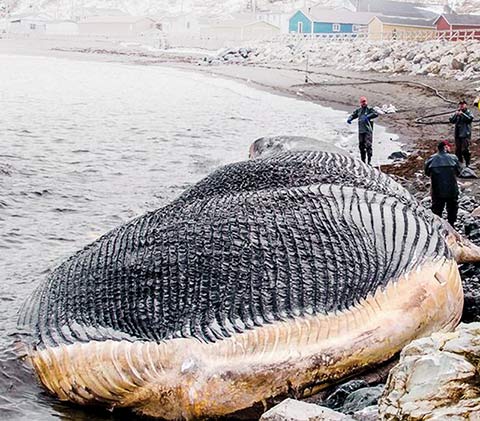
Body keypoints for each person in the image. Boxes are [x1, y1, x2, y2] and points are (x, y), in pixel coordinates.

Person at [424, 140, 462, 227]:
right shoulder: (453, 158)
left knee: (437, 210)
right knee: (452, 208)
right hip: (451, 189)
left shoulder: (431, 159)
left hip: (437, 190)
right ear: (445, 147)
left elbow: (426, 172)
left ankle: (437, 228)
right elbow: (459, 172)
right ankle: (451, 225)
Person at [347, 96, 379, 165]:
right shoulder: (359, 110)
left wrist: (368, 116)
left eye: (365, 101)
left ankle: (369, 161)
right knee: (361, 146)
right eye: (362, 102)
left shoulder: (370, 109)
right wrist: (350, 118)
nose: (364, 103)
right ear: (360, 103)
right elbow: (353, 115)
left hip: (368, 130)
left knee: (368, 145)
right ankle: (363, 161)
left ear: (366, 102)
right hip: (361, 131)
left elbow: (376, 114)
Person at [449, 100, 474, 167]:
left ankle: (468, 163)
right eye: (460, 104)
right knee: (458, 150)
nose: (461, 106)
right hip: (457, 134)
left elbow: (469, 119)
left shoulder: (468, 112)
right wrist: (455, 114)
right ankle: (459, 163)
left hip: (465, 134)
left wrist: (462, 114)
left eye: (463, 104)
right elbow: (451, 120)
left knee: (465, 150)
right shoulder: (457, 113)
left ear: (466, 105)